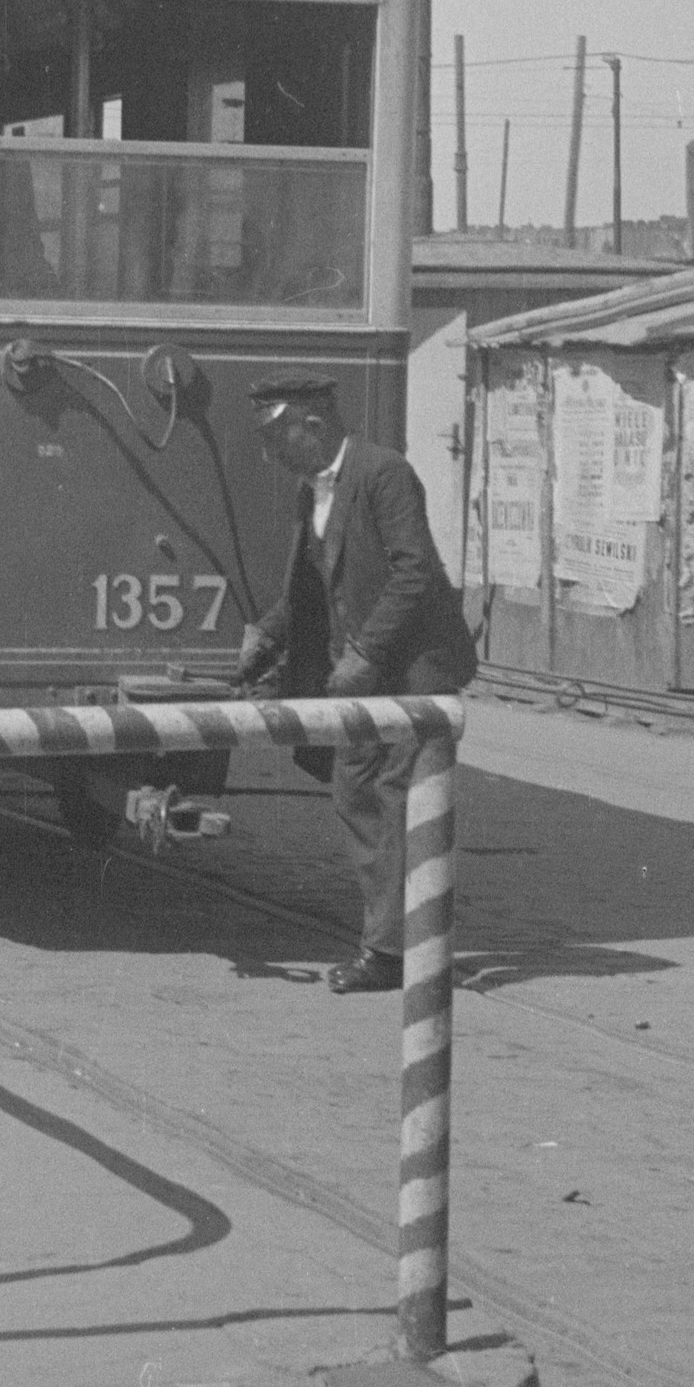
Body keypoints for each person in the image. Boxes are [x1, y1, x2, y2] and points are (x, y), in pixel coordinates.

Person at [233, 374, 478, 991]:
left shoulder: (384, 472)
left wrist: (365, 652)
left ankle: (389, 952)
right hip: (367, 679)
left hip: (413, 672)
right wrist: (267, 631)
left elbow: (415, 570)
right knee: (354, 794)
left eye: (275, 438)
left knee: (393, 800)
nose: (269, 455)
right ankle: (392, 937)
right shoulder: (310, 490)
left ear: (312, 425)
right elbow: (316, 586)